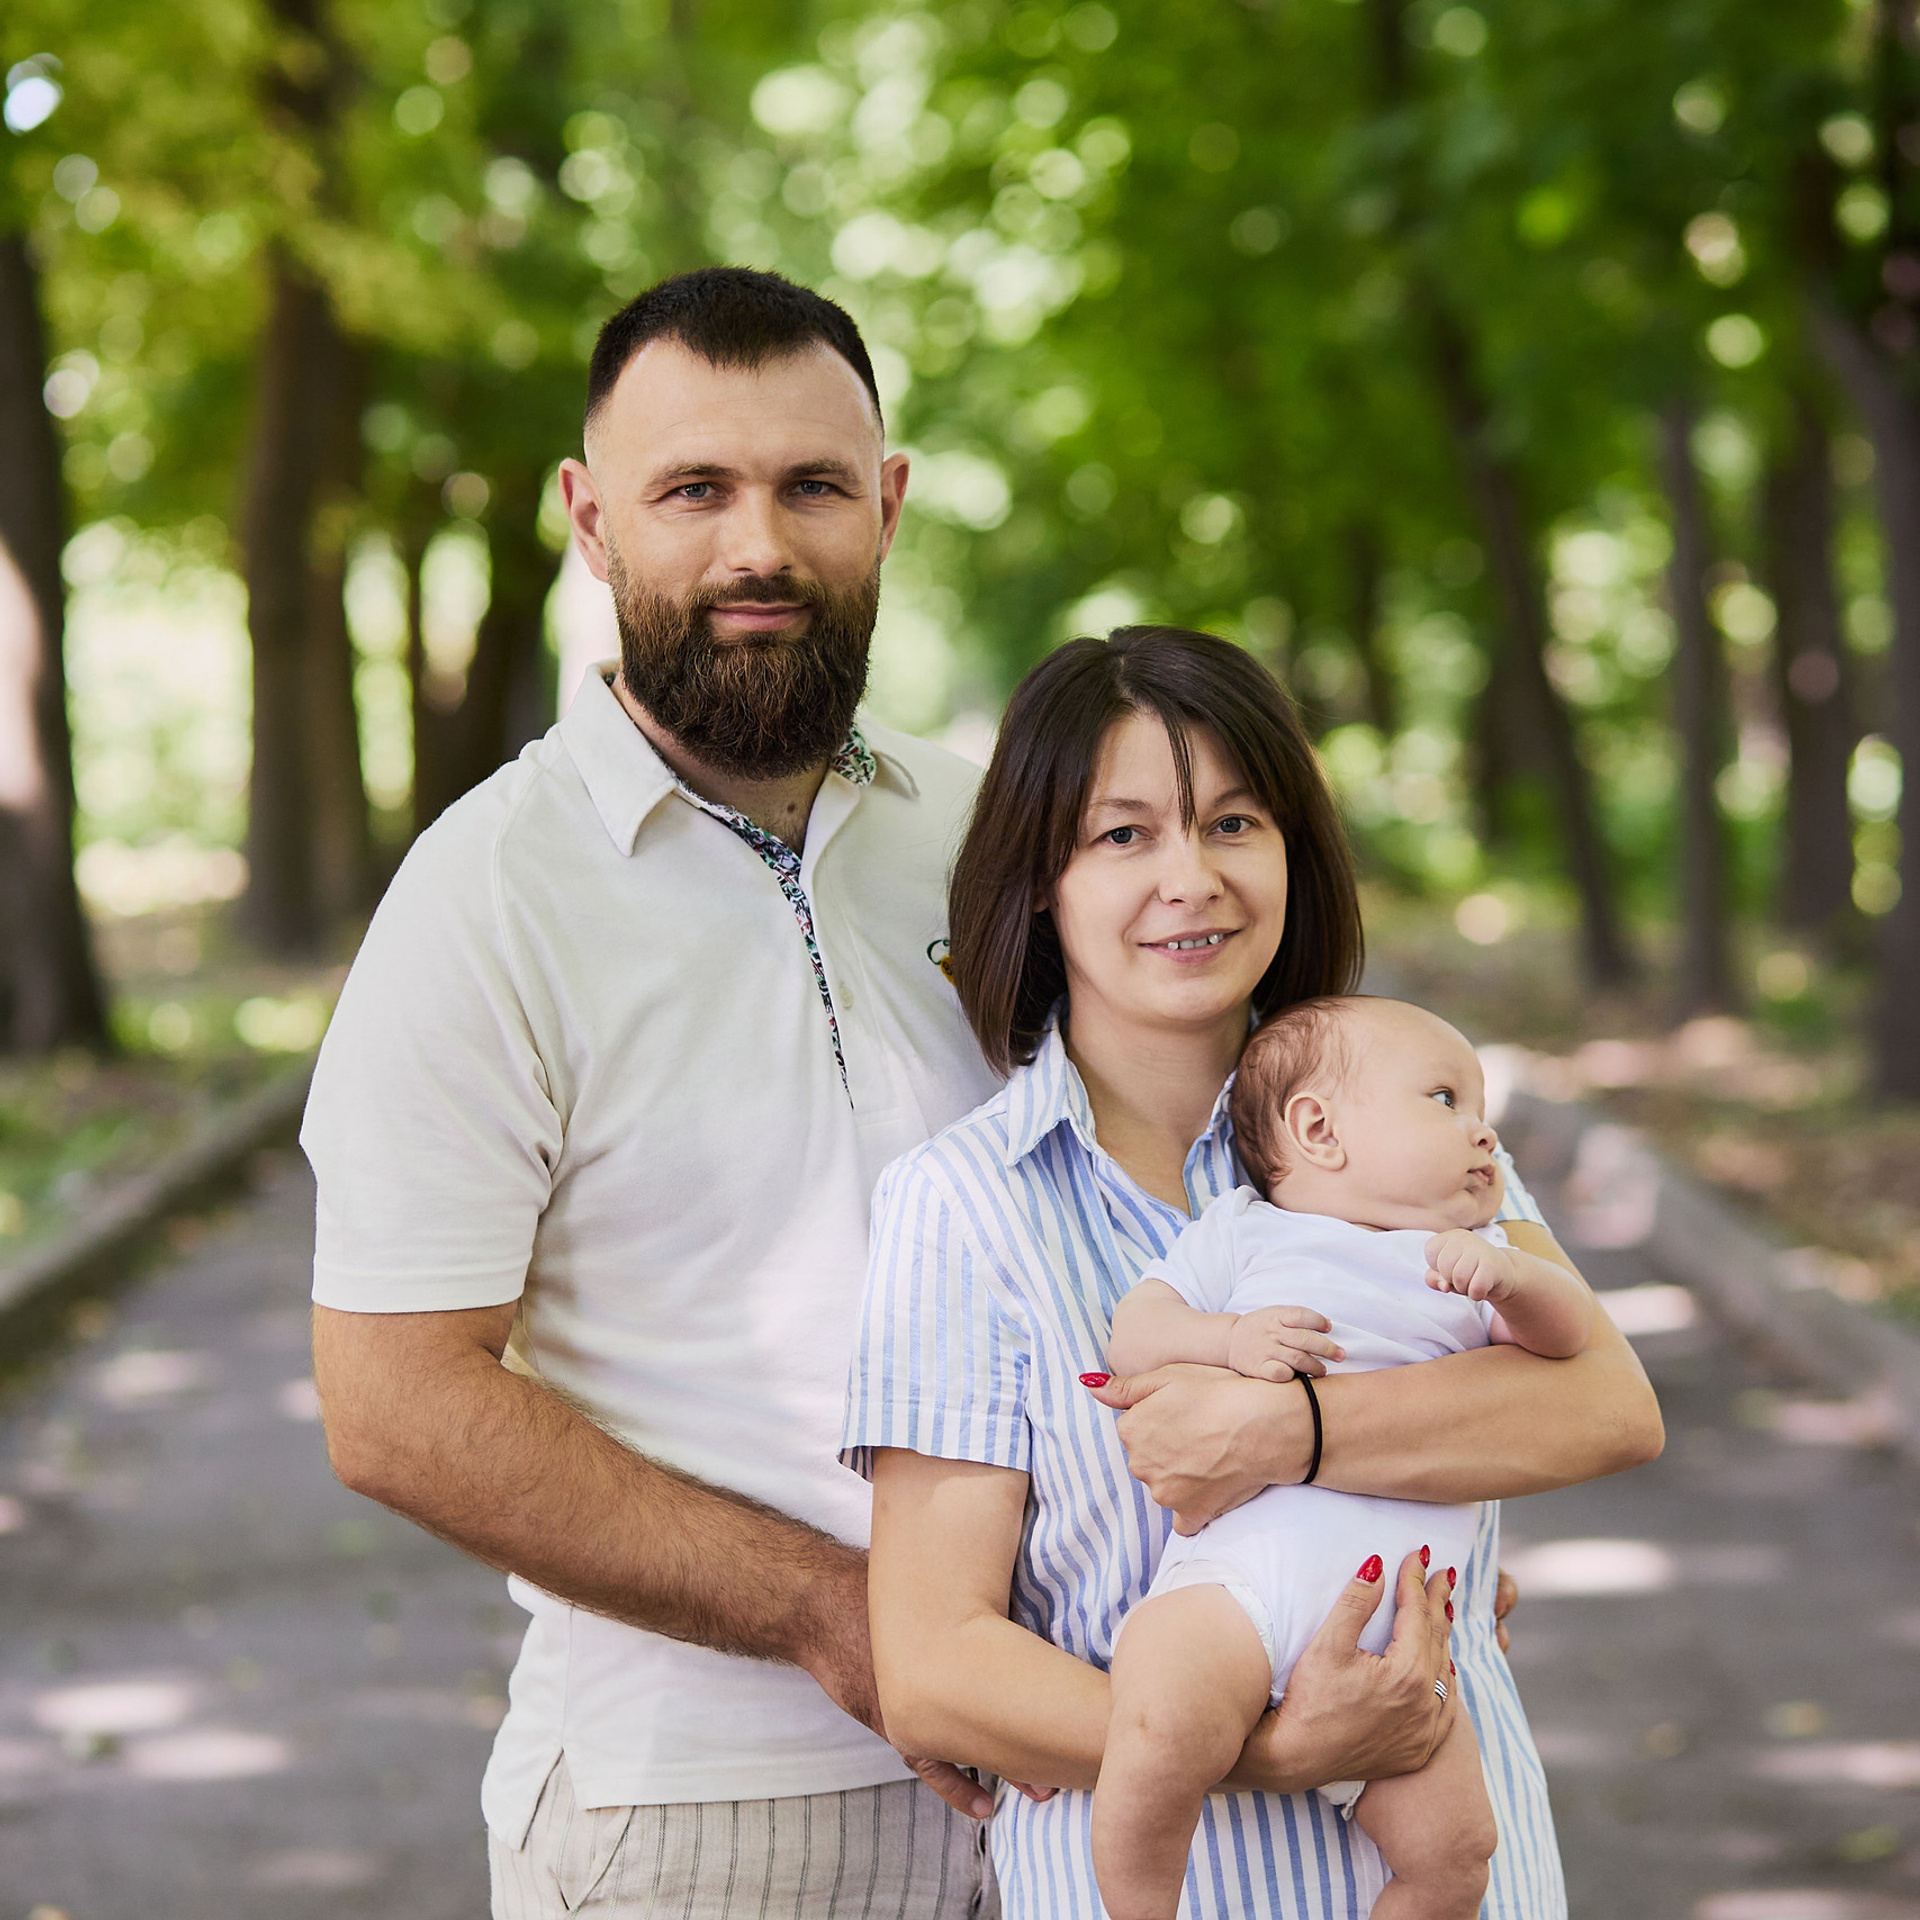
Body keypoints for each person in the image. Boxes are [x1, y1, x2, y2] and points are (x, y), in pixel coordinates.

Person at [305, 268, 1012, 1917]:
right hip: (702, 1819)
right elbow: (395, 1402)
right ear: (590, 517)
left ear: (888, 506)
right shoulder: (490, 894)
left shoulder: (993, 837)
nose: (755, 546)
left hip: (1072, 1770)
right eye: (693, 489)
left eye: (811, 486)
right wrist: (832, 1612)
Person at [844, 626, 1664, 1920]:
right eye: (1123, 837)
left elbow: (1606, 1407)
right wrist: (1283, 1750)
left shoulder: (1404, 1128)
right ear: (1040, 880)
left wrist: (1293, 1430)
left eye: (1234, 824)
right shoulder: (963, 1207)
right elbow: (937, 1669)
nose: (1192, 878)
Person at [1093, 995, 1596, 1920]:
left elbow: (1575, 1355)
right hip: (1241, 1593)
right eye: (1445, 1099)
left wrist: (1524, 1284)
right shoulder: (1246, 1230)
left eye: (1480, 1106)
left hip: (1403, 1649)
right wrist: (1229, 1339)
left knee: (1457, 1854)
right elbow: (1137, 1334)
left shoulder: (1471, 1256)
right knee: (1158, 1734)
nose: (1483, 1132)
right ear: (1318, 1130)